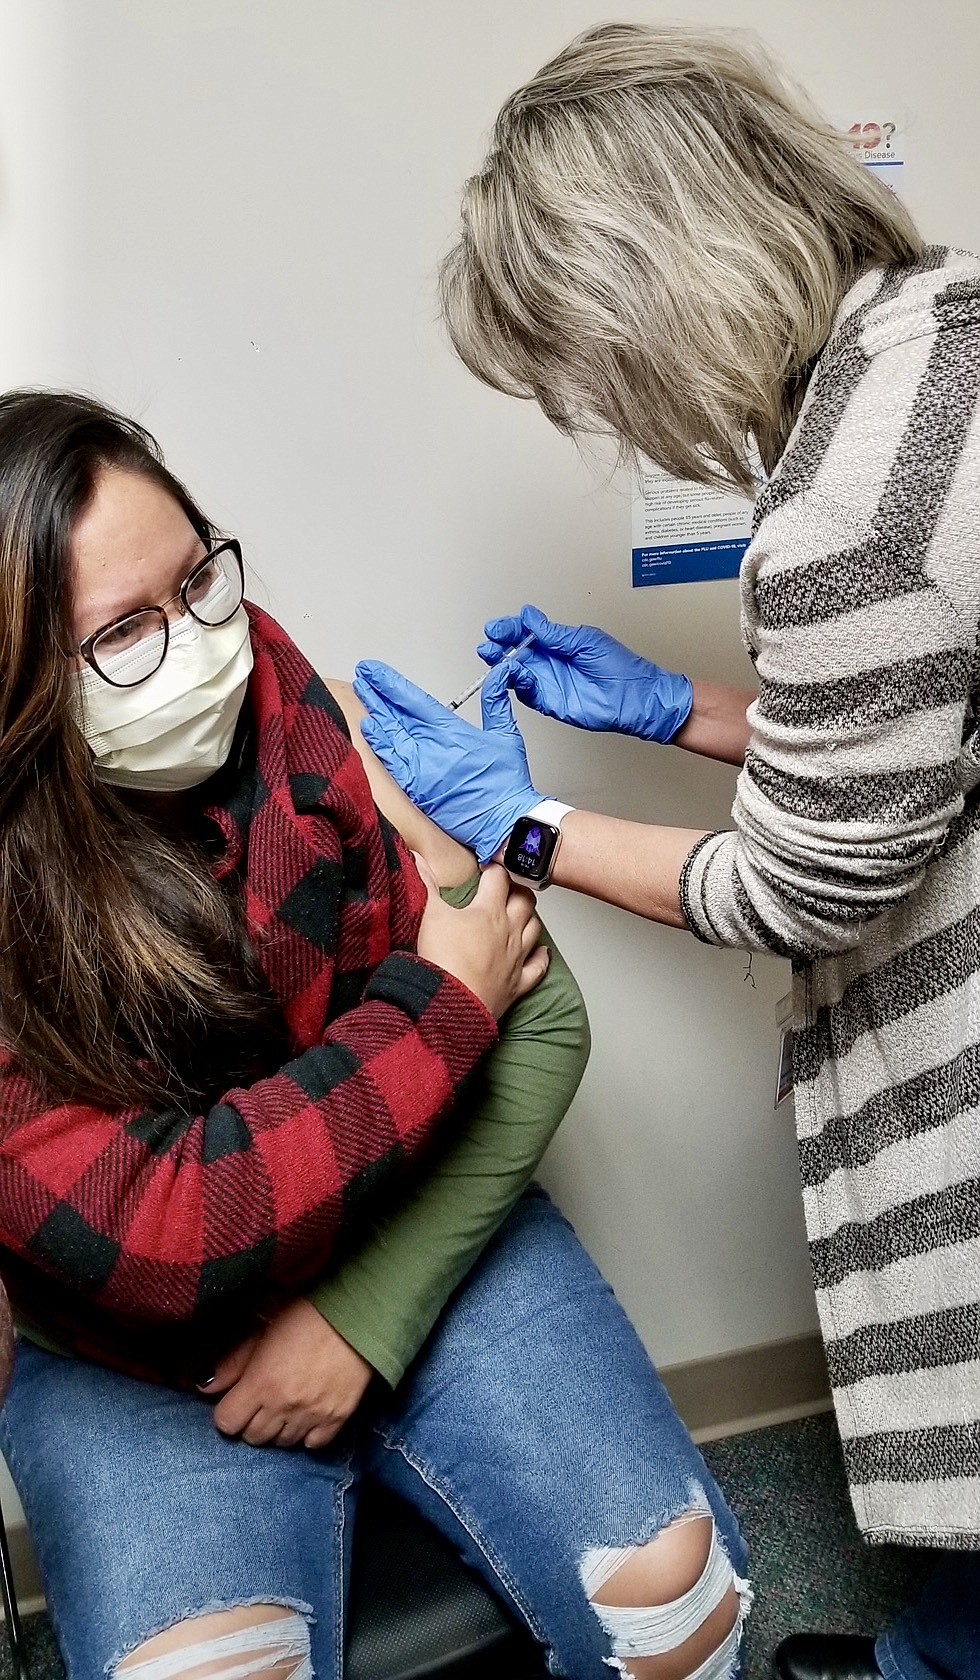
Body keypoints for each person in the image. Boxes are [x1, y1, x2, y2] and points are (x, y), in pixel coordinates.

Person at [352, 23, 980, 1680]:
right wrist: (681, 708)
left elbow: (800, 881)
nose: (600, 415)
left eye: (579, 371)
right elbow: (926, 729)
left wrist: (522, 828)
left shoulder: (841, 502)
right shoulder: (950, 333)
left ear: (649, 299)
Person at [0, 390, 751, 1680]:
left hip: (411, 1232)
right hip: (143, 1358)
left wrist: (359, 1319)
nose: (197, 647)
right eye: (124, 630)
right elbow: (169, 1231)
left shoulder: (293, 706)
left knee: (674, 1615)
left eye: (200, 583)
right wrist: (447, 999)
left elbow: (546, 1012)